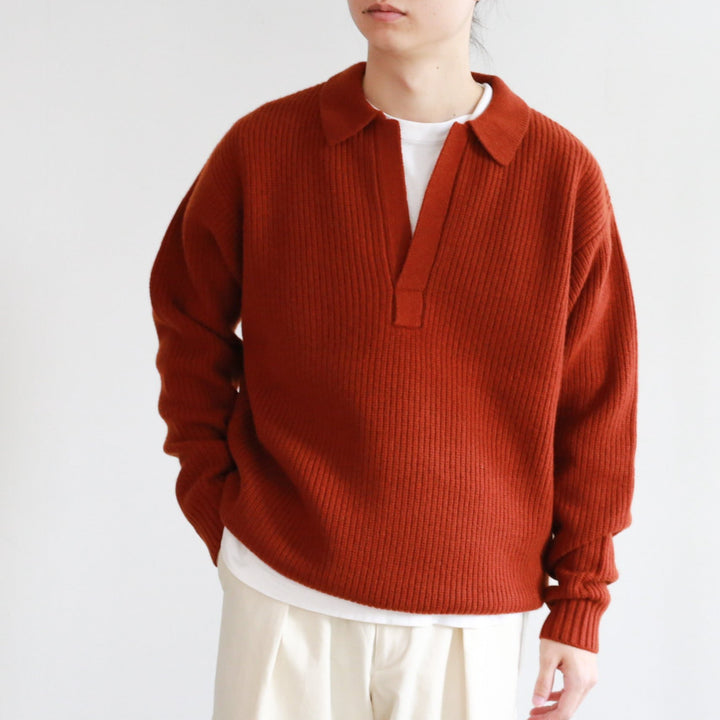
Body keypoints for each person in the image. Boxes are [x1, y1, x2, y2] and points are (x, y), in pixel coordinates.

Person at [149, 1, 638, 719]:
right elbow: (187, 319)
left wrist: (580, 601)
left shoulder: (561, 176)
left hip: (473, 614)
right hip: (282, 588)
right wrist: (215, 502)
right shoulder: (265, 147)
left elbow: (598, 406)